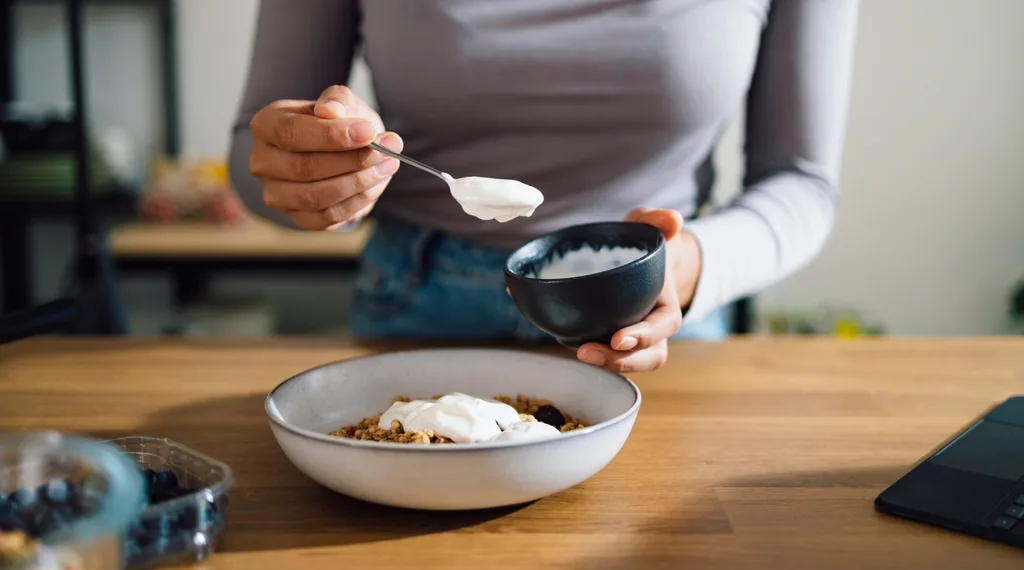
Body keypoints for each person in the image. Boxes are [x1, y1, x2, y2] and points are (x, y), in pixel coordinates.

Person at [228, 0, 859, 373]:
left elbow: (800, 184)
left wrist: (687, 268)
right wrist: (313, 173)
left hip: (654, 319)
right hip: (420, 305)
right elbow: (252, 156)